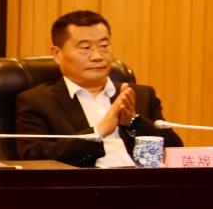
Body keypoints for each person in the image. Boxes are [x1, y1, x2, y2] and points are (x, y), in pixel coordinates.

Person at [13, 10, 181, 166]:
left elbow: (175, 152)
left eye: (104, 46)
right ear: (57, 54)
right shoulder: (37, 102)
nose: (97, 56)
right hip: (84, 186)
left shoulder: (141, 95)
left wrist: (133, 122)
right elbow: (33, 158)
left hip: (145, 184)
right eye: (85, 48)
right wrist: (98, 132)